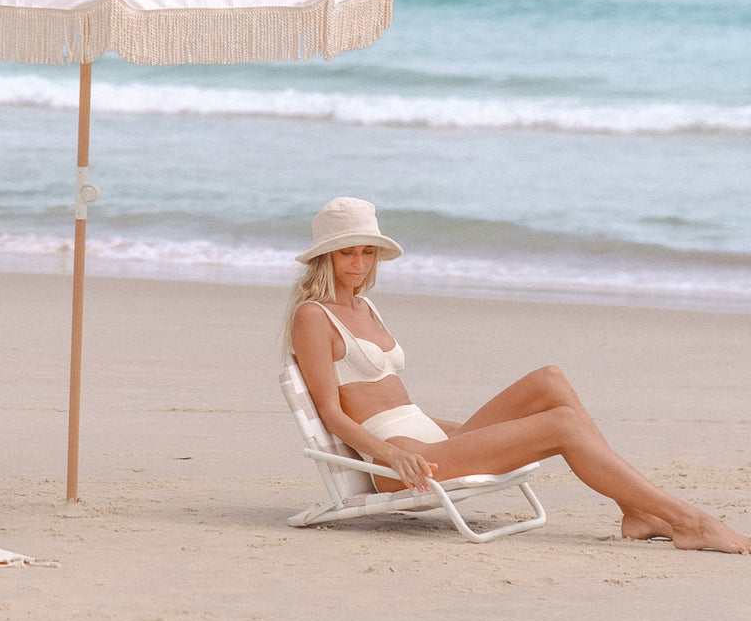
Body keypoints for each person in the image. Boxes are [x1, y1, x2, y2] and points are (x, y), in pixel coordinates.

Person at [286, 196, 751, 554]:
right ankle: (691, 523)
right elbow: (331, 413)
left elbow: (396, 402)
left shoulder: (364, 305)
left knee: (549, 379)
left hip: (430, 437)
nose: (359, 264)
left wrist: (457, 431)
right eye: (347, 253)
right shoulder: (313, 316)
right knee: (562, 426)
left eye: (368, 253)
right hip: (402, 463)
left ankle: (635, 510)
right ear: (324, 256)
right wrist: (390, 456)